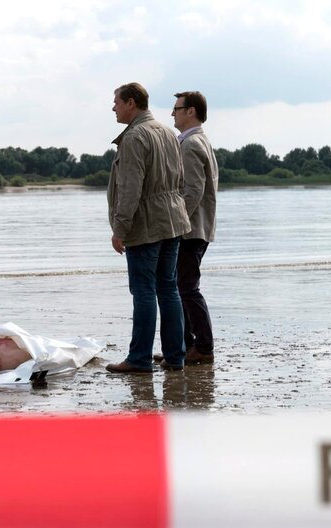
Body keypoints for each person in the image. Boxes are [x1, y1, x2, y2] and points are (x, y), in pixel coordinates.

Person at [106, 82, 191, 374]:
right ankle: (176, 357)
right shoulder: (168, 133)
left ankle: (139, 359)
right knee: (168, 288)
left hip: (147, 224)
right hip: (173, 221)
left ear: (131, 103)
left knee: (143, 290)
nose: (113, 107)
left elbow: (130, 189)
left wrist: (120, 229)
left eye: (117, 102)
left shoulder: (134, 137)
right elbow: (180, 180)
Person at [171, 91, 218, 365]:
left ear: (191, 111)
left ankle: (203, 347)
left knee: (187, 288)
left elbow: (193, 190)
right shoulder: (197, 141)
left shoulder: (191, 144)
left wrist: (177, 223)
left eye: (176, 108)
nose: (172, 113)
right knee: (183, 287)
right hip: (196, 226)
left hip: (191, 228)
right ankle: (186, 346)